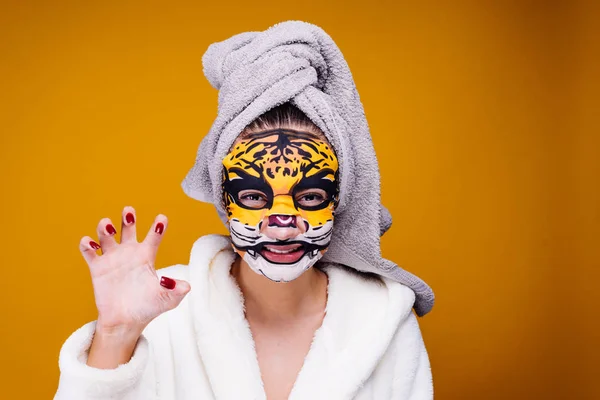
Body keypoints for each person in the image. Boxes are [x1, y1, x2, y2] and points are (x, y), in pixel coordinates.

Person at [54, 21, 435, 400]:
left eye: (311, 197)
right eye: (254, 197)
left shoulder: (384, 323)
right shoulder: (160, 310)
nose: (282, 229)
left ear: (339, 199)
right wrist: (116, 334)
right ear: (223, 197)